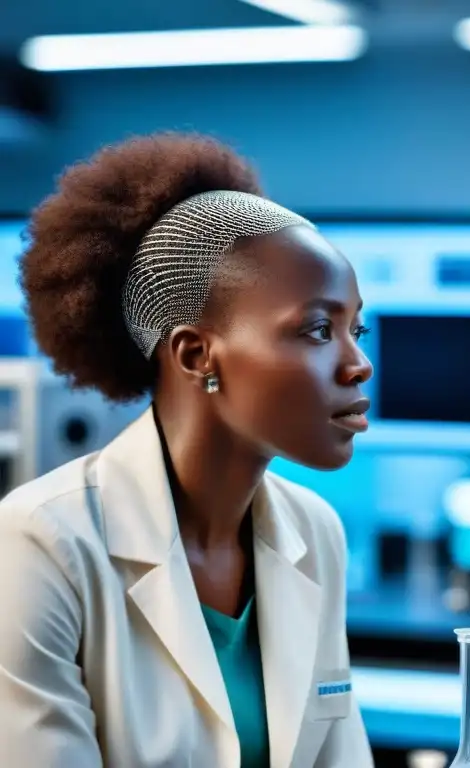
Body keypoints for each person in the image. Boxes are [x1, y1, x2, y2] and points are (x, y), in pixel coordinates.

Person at [0, 133, 375, 768]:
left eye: (354, 329)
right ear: (196, 354)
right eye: (317, 329)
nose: (358, 364)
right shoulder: (39, 545)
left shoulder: (316, 533)